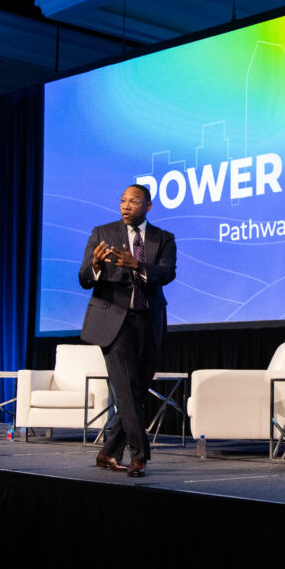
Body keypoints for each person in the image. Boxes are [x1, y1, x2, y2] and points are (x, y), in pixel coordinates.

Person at [79, 184, 176, 476]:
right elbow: (84, 278)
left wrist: (138, 265)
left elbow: (169, 273)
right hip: (114, 322)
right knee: (127, 392)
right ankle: (139, 457)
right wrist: (95, 265)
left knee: (135, 392)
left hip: (148, 323)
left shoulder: (163, 238)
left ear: (147, 206)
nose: (126, 206)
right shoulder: (102, 233)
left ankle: (107, 453)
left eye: (133, 201)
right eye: (122, 201)